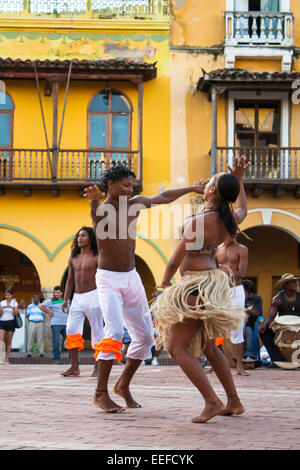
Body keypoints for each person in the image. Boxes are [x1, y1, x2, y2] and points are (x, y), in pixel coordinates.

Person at [84, 164, 209, 413]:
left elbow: (162, 197)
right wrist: (93, 201)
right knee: (115, 332)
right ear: (111, 185)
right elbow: (97, 215)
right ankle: (100, 393)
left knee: (144, 337)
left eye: (132, 186)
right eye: (125, 185)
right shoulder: (103, 208)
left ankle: (123, 385)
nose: (131, 190)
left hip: (132, 277)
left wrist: (192, 188)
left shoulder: (134, 204)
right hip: (108, 279)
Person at [153, 167, 248, 423]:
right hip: (209, 284)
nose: (205, 184)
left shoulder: (199, 222)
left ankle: (212, 401)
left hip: (195, 286)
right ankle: (234, 401)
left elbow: (176, 258)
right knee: (208, 346)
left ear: (212, 190)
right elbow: (243, 210)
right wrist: (239, 181)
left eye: (209, 182)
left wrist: (163, 282)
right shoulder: (227, 220)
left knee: (176, 347)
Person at [61, 227, 104, 377]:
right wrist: (65, 299)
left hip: (94, 295)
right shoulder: (73, 258)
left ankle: (98, 366)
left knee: (97, 332)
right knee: (71, 330)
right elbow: (70, 279)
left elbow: (104, 278)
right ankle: (74, 367)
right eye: (78, 236)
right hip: (77, 298)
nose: (79, 238)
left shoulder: (97, 257)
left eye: (83, 236)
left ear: (90, 238)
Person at [259, 273, 300, 366]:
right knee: (263, 332)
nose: (295, 284)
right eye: (291, 282)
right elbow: (272, 315)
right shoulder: (277, 299)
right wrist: (265, 326)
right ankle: (278, 359)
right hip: (282, 327)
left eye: (295, 282)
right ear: (284, 285)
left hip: (299, 326)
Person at [39, 286, 68, 364]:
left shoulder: (65, 300)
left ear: (62, 293)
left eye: (58, 292)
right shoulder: (51, 301)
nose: (56, 294)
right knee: (56, 341)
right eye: (55, 292)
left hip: (66, 323)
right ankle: (56, 358)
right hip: (56, 324)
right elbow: (41, 306)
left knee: (68, 341)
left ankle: (71, 358)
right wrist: (48, 312)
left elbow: (69, 309)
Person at [243, 279, 262, 360]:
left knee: (248, 330)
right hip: (236, 322)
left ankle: (249, 355)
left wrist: (245, 310)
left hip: (250, 322)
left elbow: (257, 313)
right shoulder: (237, 297)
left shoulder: (256, 298)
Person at [0, 289, 18, 364]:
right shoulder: (2, 302)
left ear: (11, 295)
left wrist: (12, 308)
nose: (7, 296)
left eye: (8, 295)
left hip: (11, 322)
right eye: (6, 295)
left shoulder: (14, 302)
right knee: (1, 339)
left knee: (9, 341)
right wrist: (1, 309)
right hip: (2, 322)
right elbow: (0, 314)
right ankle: (1, 358)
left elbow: (16, 314)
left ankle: (7, 359)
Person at [26, 293, 44, 357]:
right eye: (34, 298)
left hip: (40, 323)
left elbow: (43, 314)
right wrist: (31, 320)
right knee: (30, 337)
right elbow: (27, 315)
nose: (36, 299)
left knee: (40, 338)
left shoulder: (42, 306)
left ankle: (41, 352)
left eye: (37, 298)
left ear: (39, 299)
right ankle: (29, 352)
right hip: (32, 323)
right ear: (33, 299)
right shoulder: (30, 306)